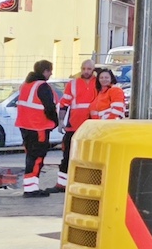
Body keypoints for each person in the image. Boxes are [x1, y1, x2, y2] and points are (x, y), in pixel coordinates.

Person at [13, 60, 60, 195]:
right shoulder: (42, 86)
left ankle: (29, 187)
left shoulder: (26, 85)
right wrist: (55, 121)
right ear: (45, 71)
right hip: (38, 126)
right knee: (38, 157)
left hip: (25, 126)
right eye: (50, 71)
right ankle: (32, 189)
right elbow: (49, 107)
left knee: (30, 156)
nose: (51, 73)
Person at [59, 56, 96, 176]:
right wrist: (60, 121)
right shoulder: (73, 84)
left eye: (89, 69)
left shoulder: (98, 83)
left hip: (93, 126)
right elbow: (64, 104)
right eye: (84, 68)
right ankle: (62, 183)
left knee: (89, 156)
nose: (86, 71)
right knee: (68, 154)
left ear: (93, 69)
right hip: (74, 125)